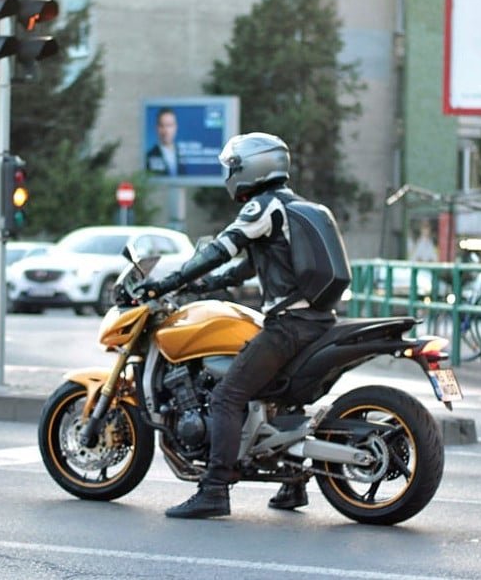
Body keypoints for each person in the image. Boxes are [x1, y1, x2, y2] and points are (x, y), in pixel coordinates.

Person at [136, 132, 337, 519]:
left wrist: (167, 282)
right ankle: (292, 484)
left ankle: (213, 489)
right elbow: (248, 266)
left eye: (233, 168)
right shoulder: (293, 207)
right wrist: (202, 285)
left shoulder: (262, 207)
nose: (230, 175)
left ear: (250, 168)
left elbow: (220, 250)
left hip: (289, 324)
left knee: (229, 395)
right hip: (317, 322)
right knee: (277, 396)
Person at [145, 108, 182, 175]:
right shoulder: (148, 157)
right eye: (162, 126)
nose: (166, 131)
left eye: (169, 125)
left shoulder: (183, 155)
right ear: (157, 128)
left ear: (176, 127)